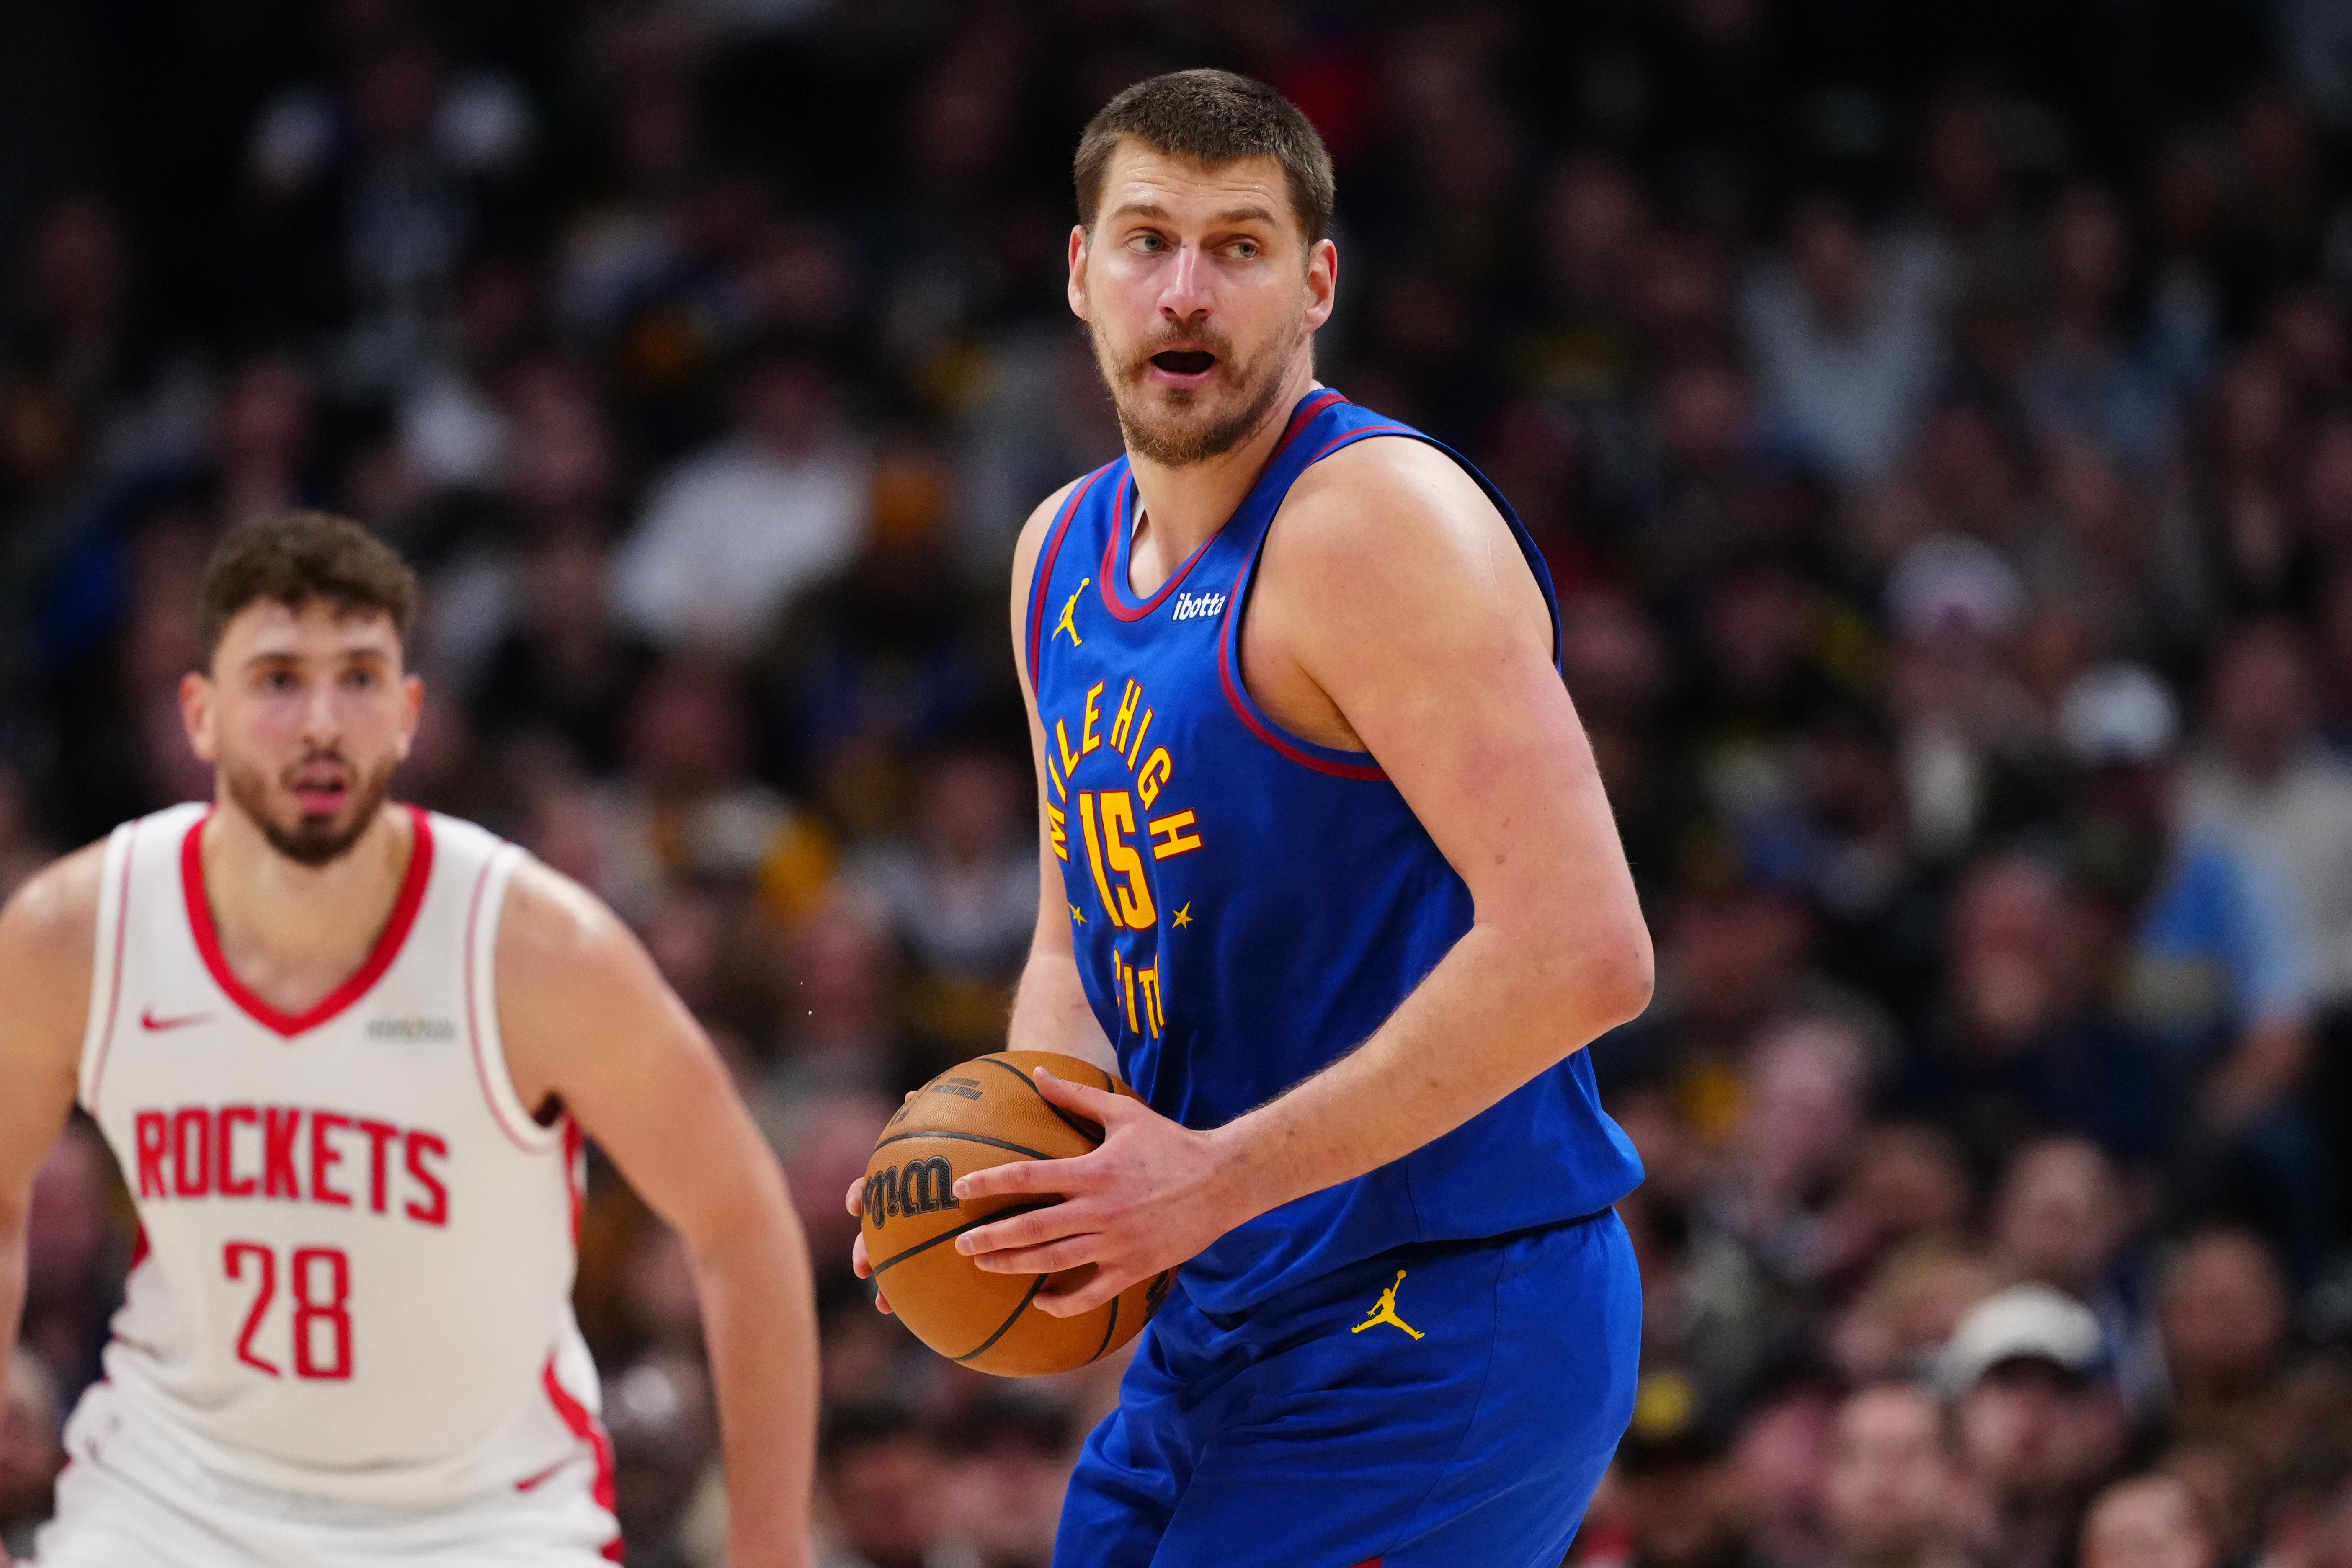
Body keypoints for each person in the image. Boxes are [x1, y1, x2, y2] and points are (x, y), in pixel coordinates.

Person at [851, 70, 1651, 1566]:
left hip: (1447, 1294)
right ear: (1080, 270)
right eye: (1147, 240)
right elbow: (1077, 937)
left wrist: (1210, 1178)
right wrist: (1017, 1195)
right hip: (1232, 1294)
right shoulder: (1056, 554)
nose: (1185, 291)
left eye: (1238, 246)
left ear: (1316, 284)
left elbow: (1585, 952)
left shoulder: (1373, 526)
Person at [0, 511, 819, 1567]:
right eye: (279, 680)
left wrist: (769, 1548)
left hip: (481, 1522)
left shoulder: (537, 951)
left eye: (359, 679)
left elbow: (742, 1223)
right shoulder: (79, 932)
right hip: (169, 1502)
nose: (322, 723)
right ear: (200, 714)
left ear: (409, 714)